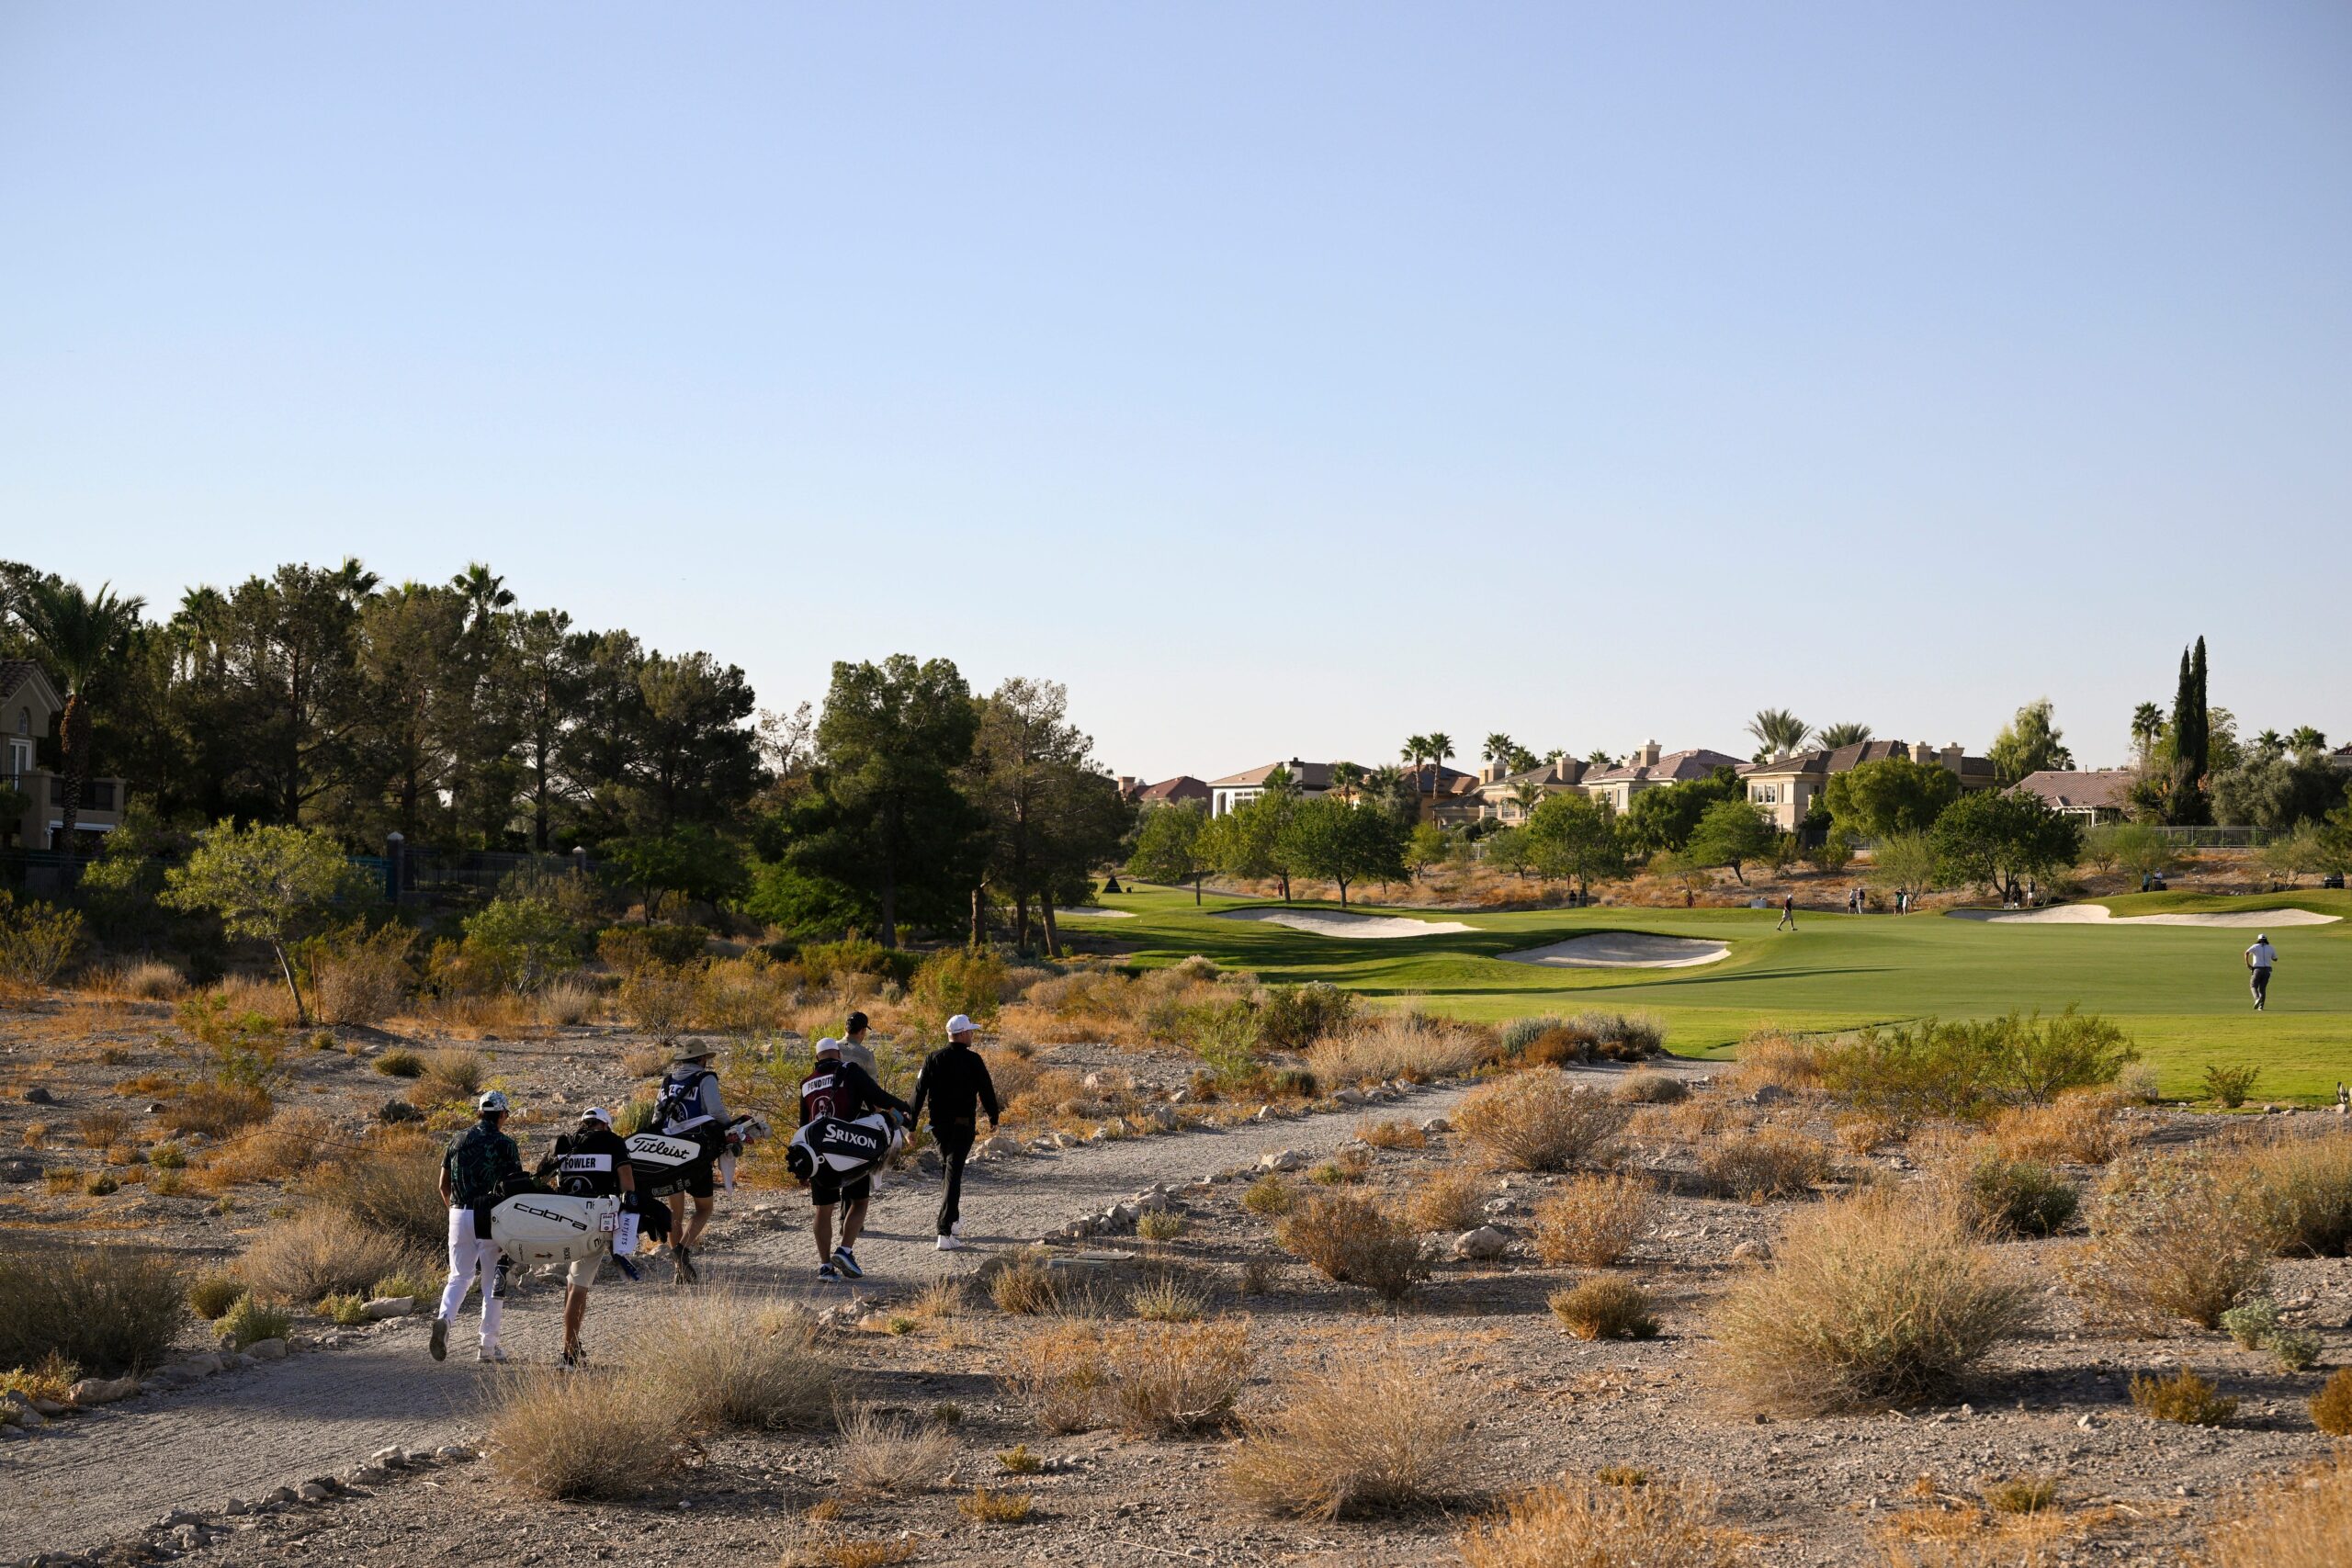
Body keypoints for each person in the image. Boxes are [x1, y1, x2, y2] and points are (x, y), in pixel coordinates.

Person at [797, 1036, 911, 1280]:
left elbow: (802, 1126)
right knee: (859, 1202)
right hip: (850, 1151)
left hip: (818, 1154)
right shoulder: (850, 1071)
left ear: (817, 1058)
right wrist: (904, 1108)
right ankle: (845, 1250)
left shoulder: (806, 1083)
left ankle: (825, 1267)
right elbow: (878, 1096)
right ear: (838, 1054)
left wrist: (802, 1169)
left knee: (823, 1210)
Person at [535, 1106, 638, 1369]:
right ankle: (568, 1355)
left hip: (562, 1222)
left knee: (573, 1281)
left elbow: (542, 1177)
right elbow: (627, 1183)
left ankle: (574, 1343)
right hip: (594, 1222)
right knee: (580, 1286)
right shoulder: (613, 1143)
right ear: (605, 1125)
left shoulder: (564, 1142)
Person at [432, 1089, 525, 1363]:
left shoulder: (457, 1139)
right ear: (503, 1114)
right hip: (493, 1216)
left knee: (459, 1276)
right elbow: (515, 1187)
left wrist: (456, 1212)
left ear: (480, 1112)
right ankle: (487, 1346)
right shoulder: (505, 1144)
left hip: (459, 1214)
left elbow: (442, 1185)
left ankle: (445, 1320)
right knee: (492, 1282)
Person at [909, 1013, 1001, 1252]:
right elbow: (986, 1089)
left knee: (948, 1170)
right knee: (953, 1172)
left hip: (938, 1128)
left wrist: (910, 1124)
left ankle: (955, 1220)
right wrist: (993, 1116)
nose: (972, 1035)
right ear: (961, 1034)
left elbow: (918, 1093)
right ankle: (945, 1230)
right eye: (970, 1031)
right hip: (962, 1126)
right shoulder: (973, 1060)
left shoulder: (932, 1058)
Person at [654, 1044, 728, 1283]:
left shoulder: (667, 1082)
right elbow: (716, 1111)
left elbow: (657, 1118)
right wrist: (730, 1128)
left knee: (676, 1213)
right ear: (703, 1059)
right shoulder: (705, 1079)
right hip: (695, 1153)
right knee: (704, 1208)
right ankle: (682, 1251)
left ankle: (679, 1271)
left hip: (667, 1153)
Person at [840, 1010, 878, 1077]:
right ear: (863, 1031)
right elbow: (873, 1084)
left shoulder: (831, 1048)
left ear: (845, 1028)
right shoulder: (866, 1055)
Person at [2245, 933, 2278, 1011]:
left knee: (2253, 985)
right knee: (2262, 989)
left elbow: (2246, 953)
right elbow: (2275, 959)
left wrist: (2247, 964)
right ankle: (2261, 1007)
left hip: (2257, 969)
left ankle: (2257, 998)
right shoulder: (2271, 948)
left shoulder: (2255, 946)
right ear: (2266, 939)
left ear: (2258, 939)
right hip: (2267, 970)